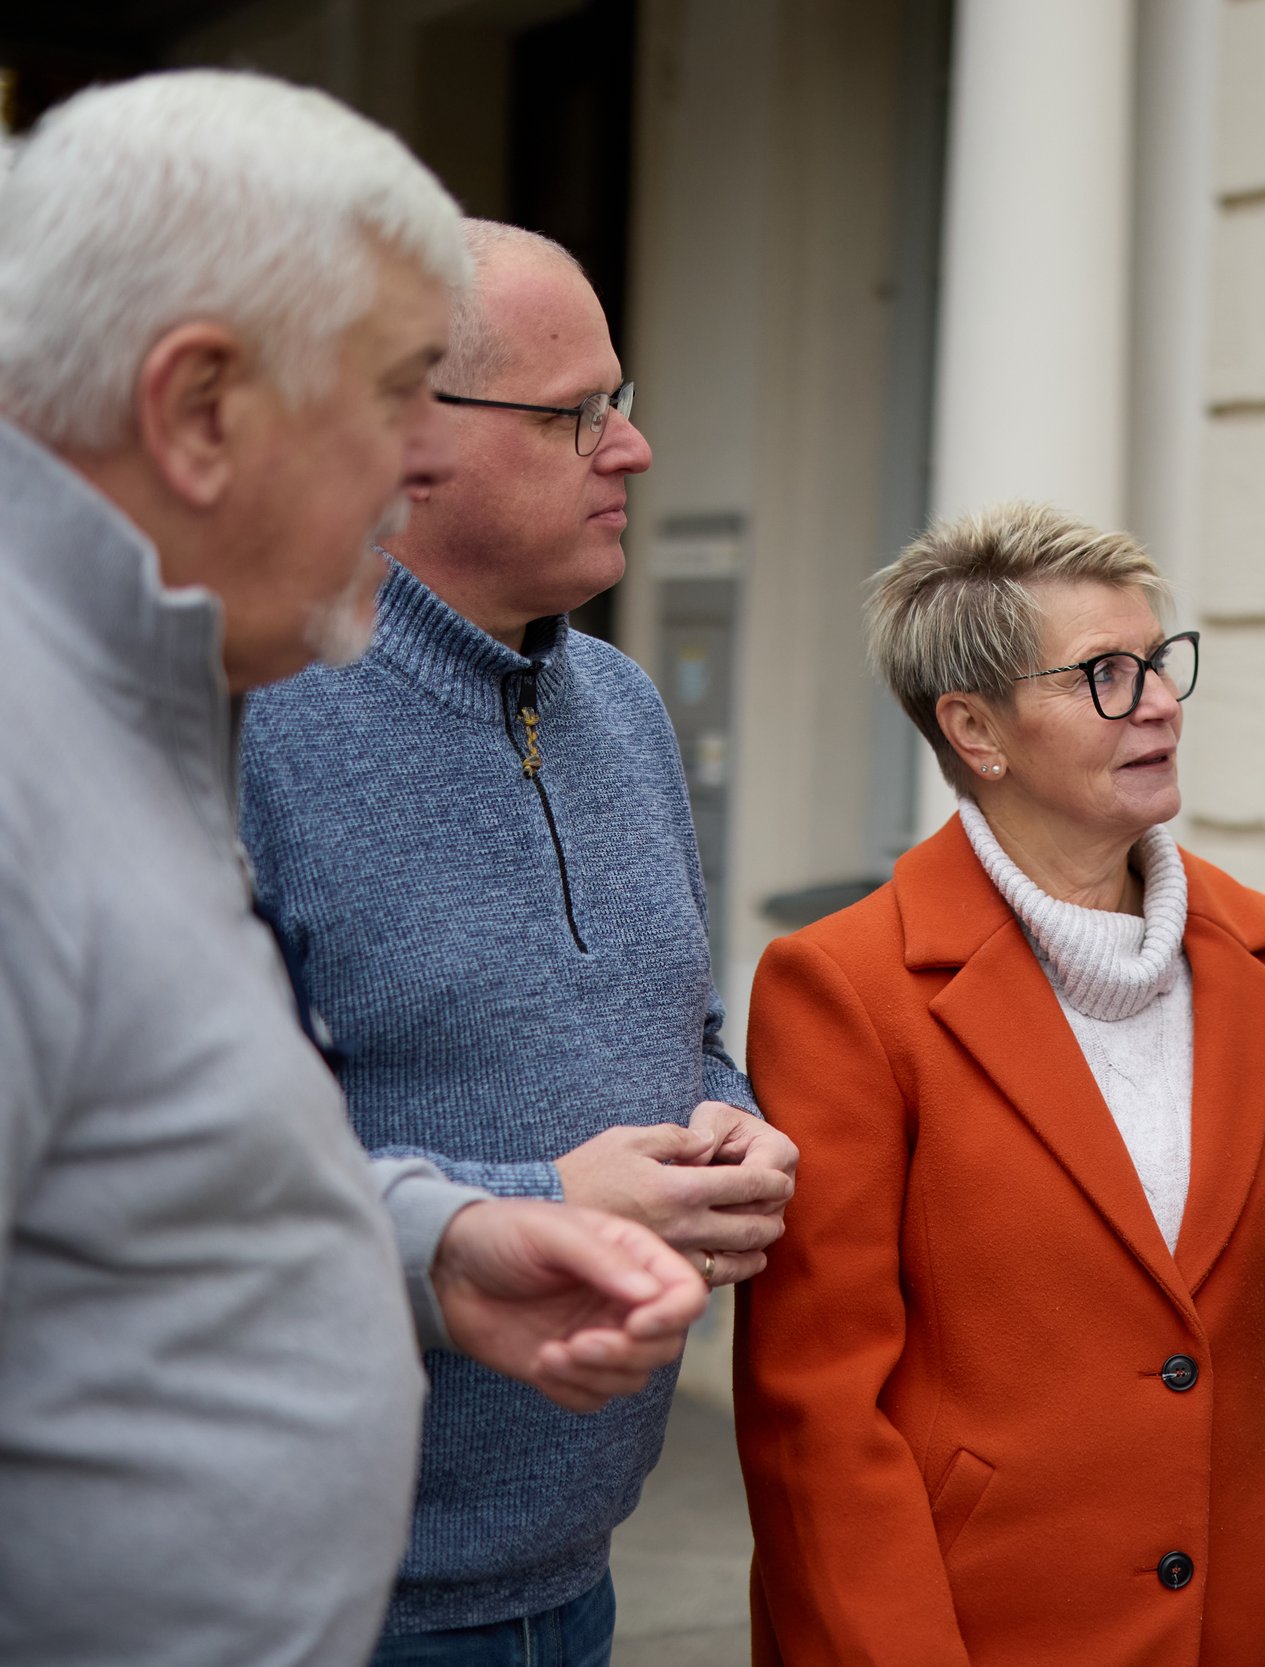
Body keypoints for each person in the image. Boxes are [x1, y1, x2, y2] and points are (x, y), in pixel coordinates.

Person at [0, 71, 706, 1667]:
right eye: (390, 399)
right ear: (197, 411)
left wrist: (437, 1239)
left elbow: (151, 1188)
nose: (407, 477)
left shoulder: (140, 702)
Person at [239, 218, 796, 1661]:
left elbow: (684, 1038)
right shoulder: (253, 721)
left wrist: (733, 1132)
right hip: (327, 1604)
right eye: (580, 414)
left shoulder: (620, 705)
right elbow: (176, 1197)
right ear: (412, 433)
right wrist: (548, 1194)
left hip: (580, 1580)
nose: (635, 447)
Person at [734, 502, 1265, 1666]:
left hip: (1257, 1618)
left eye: (1157, 662)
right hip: (984, 1628)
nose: (1157, 701)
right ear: (977, 731)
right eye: (1104, 674)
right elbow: (818, 1407)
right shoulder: (842, 986)